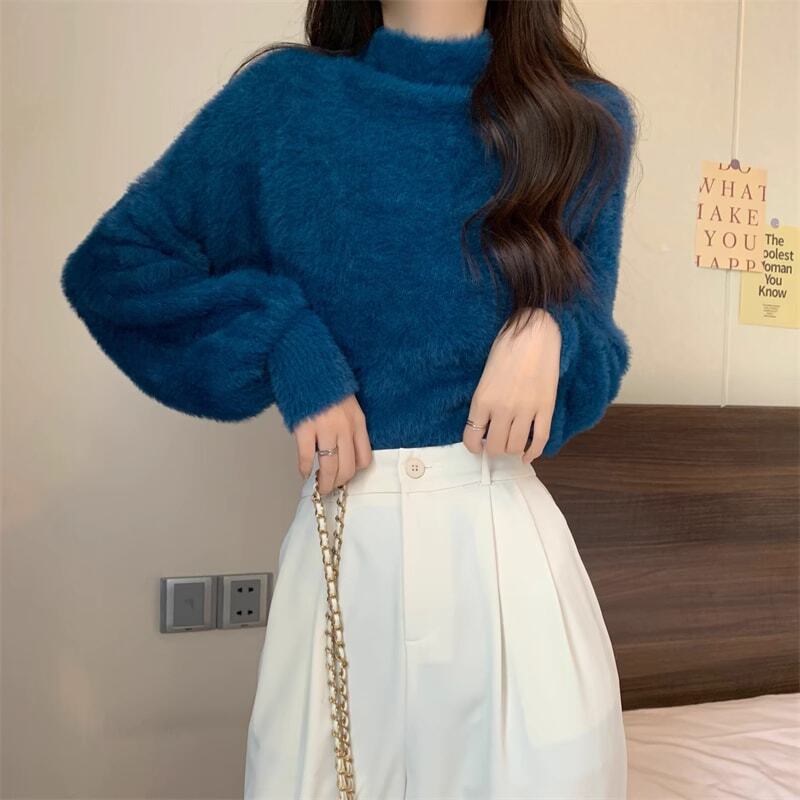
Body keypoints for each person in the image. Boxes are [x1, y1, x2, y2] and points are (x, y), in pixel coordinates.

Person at [60, 1, 639, 798]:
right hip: (344, 549)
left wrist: (554, 331)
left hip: (510, 565)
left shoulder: (583, 122)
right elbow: (114, 266)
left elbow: (596, 349)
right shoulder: (285, 106)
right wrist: (282, 339)